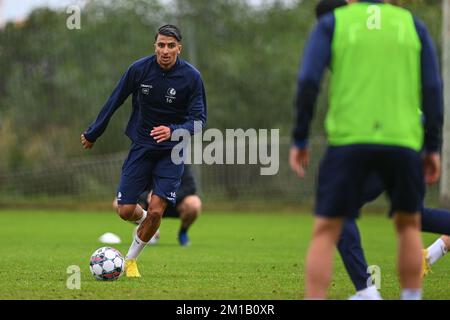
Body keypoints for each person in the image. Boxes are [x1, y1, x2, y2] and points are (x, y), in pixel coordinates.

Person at [290, 0, 443, 300]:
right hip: (403, 138)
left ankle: (365, 292)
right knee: (410, 225)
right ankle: (410, 296)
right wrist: (433, 146)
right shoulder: (412, 24)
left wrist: (300, 138)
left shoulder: (334, 22)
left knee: (327, 227)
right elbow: (433, 89)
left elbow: (308, 81)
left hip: (351, 139)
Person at [81, 24, 207, 278]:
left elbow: (199, 120)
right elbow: (114, 100)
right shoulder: (139, 69)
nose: (165, 50)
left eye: (171, 46)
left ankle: (129, 261)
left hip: (172, 151)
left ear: (179, 48)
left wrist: (173, 131)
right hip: (141, 147)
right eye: (161, 45)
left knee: (157, 209)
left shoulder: (191, 77)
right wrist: (94, 132)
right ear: (155, 46)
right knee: (125, 210)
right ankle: (147, 223)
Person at [112, 165, 202, 246]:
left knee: (194, 203)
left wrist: (164, 195)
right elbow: (125, 188)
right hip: (148, 205)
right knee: (119, 203)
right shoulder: (140, 160)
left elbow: (190, 187)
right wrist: (148, 195)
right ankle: (147, 224)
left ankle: (183, 232)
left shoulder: (177, 160)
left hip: (172, 203)